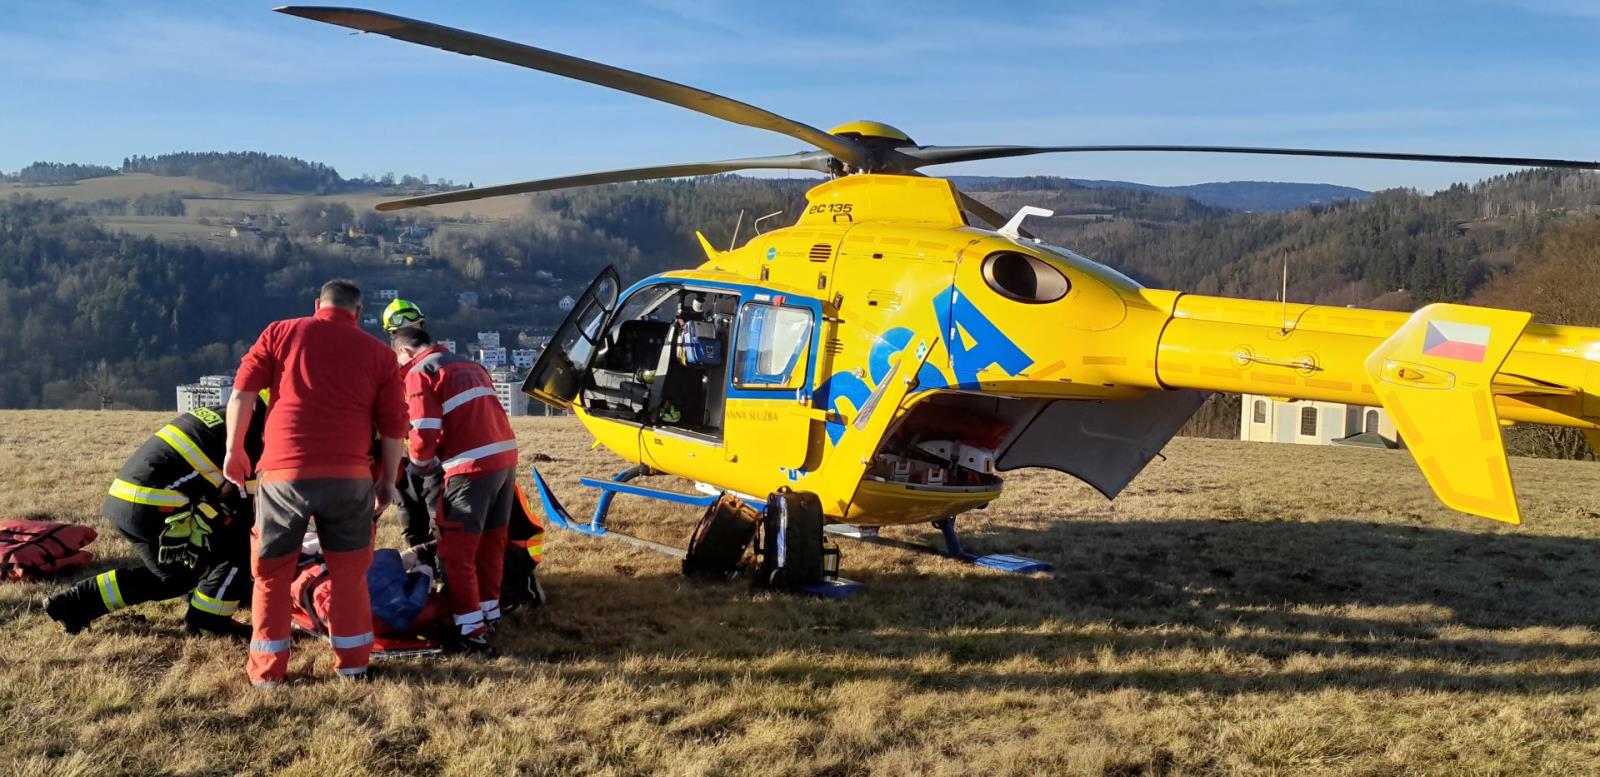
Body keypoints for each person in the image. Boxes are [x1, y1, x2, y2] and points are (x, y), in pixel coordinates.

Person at [226, 279, 406, 687]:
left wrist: (235, 451)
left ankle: (267, 674)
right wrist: (388, 479)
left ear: (316, 305)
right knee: (348, 573)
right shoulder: (381, 355)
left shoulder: (280, 332)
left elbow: (242, 393)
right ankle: (353, 666)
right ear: (359, 313)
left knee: (271, 572)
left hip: (282, 474)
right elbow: (395, 426)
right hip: (350, 477)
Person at [42, 395, 268, 636]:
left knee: (175, 577)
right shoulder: (252, 437)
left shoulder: (225, 415)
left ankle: (73, 603)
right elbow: (252, 510)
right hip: (157, 505)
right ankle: (208, 622)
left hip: (127, 500)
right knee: (241, 546)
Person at [389, 325, 518, 655]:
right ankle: (490, 613)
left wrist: (419, 466)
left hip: (469, 468)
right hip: (503, 461)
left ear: (403, 352)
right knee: (491, 543)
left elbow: (424, 430)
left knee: (456, 552)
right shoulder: (469, 364)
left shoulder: (420, 372)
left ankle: (470, 630)